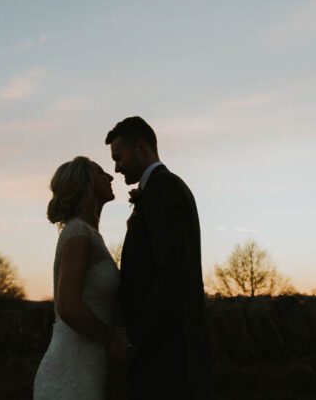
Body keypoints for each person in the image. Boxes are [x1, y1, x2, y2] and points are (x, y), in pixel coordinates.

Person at [107, 116, 211, 399]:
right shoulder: (157, 190)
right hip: (163, 347)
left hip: (168, 352)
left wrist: (138, 337)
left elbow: (172, 270)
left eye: (119, 157)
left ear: (140, 147)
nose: (115, 168)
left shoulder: (164, 189)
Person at [34, 156, 130, 399]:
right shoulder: (78, 234)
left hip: (89, 366)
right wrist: (111, 340)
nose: (110, 176)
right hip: (71, 370)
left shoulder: (89, 234)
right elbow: (68, 306)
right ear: (85, 185)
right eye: (100, 172)